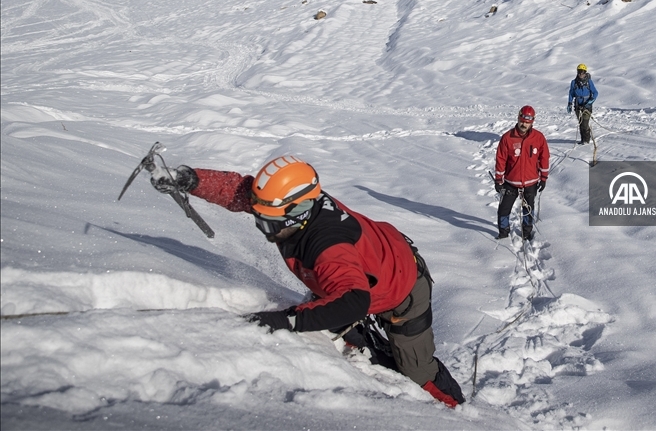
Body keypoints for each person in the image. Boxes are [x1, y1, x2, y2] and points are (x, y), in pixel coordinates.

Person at [149, 155, 465, 408]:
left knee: (415, 368)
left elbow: (355, 301)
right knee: (331, 324)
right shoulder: (294, 203)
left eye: (268, 220)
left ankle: (458, 408)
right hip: (367, 267)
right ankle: (366, 347)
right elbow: (241, 191)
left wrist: (285, 321)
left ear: (296, 213)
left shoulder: (328, 247)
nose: (261, 224)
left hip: (402, 288)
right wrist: (192, 180)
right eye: (259, 216)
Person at [493, 106, 549, 241]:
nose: (524, 124)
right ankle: (503, 233)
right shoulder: (507, 138)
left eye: (527, 122)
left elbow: (544, 157)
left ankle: (527, 232)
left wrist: (543, 177)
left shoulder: (538, 137)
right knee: (503, 210)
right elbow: (501, 159)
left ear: (532, 121)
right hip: (511, 181)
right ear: (518, 119)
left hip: (531, 181)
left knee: (528, 209)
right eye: (522, 120)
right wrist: (498, 179)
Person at [567, 63, 598, 144]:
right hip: (578, 106)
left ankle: (587, 140)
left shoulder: (589, 82)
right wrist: (569, 103)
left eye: (583, 72)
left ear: (585, 72)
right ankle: (582, 140)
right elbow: (571, 93)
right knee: (580, 122)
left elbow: (595, 92)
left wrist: (591, 101)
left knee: (585, 123)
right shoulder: (574, 82)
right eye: (579, 71)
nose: (581, 73)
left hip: (587, 106)